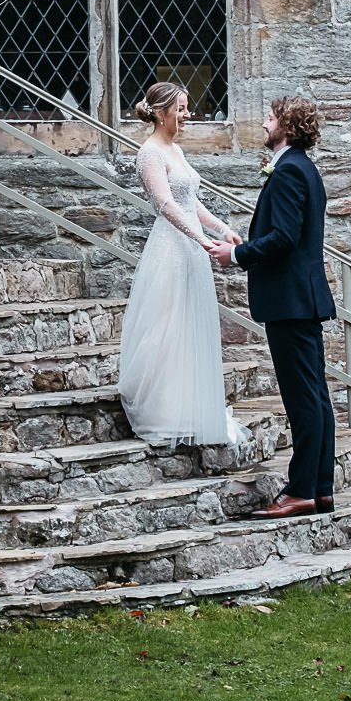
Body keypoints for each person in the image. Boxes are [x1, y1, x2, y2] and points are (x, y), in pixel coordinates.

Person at [212, 96, 338, 517]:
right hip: (301, 298)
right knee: (315, 396)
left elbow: (284, 237)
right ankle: (319, 488)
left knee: (304, 399)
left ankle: (302, 488)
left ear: (287, 124)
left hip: (289, 300)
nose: (264, 124)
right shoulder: (303, 167)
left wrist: (239, 255)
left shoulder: (287, 172)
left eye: (270, 117)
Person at [117, 82, 245, 446]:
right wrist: (202, 239)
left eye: (188, 108)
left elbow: (190, 199)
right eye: (182, 109)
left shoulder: (175, 149)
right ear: (161, 112)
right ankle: (163, 411)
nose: (188, 115)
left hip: (190, 248)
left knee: (190, 323)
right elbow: (166, 205)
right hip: (171, 251)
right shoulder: (150, 153)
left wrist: (221, 228)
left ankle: (190, 405)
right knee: (167, 326)